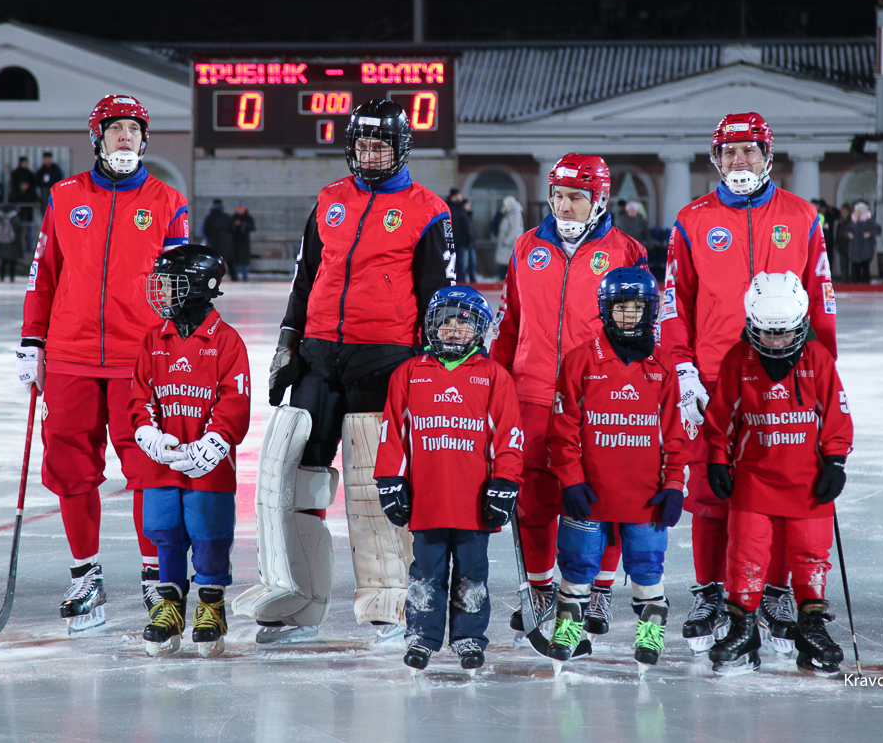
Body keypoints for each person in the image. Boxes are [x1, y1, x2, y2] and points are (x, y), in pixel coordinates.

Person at [240, 98, 455, 644]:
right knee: (298, 482)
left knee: (372, 487)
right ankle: (297, 601)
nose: (370, 153)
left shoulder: (429, 209)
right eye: (362, 144)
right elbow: (305, 277)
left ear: (401, 148)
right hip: (318, 356)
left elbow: (438, 297)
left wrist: (432, 371)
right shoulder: (329, 199)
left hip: (384, 361)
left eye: (380, 144)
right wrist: (288, 342)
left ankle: (387, 605)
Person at [659, 112, 837, 657]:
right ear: (716, 159)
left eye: (749, 151)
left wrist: (824, 372)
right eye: (730, 152)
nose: (740, 161)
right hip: (714, 378)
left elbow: (821, 299)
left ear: (768, 155)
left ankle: (776, 593)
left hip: (786, 375)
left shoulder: (801, 215)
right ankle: (712, 592)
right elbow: (674, 301)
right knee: (710, 493)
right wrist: (682, 369)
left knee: (783, 490)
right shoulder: (691, 220)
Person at [18, 95, 191, 633]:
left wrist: (180, 347)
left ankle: (154, 576)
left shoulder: (168, 201)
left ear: (144, 139)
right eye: (115, 128)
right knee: (70, 467)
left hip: (140, 357)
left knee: (150, 466)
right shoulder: (64, 195)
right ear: (98, 137)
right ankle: (85, 574)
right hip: (69, 355)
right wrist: (32, 340)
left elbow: (181, 289)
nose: (124, 137)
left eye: (133, 130)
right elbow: (44, 273)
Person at [491, 153, 647, 642]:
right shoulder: (526, 247)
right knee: (534, 498)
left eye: (575, 197)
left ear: (598, 199)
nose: (563, 206)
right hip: (532, 391)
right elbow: (509, 323)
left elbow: (640, 328)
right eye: (557, 196)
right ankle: (540, 590)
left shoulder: (627, 250)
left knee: (604, 496)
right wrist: (494, 383)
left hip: (598, 395)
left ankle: (597, 589)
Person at [702, 272, 852, 676]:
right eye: (767, 333)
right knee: (745, 556)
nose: (776, 342)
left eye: (784, 333)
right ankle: (743, 629)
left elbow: (836, 417)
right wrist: (717, 458)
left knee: (810, 556)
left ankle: (811, 628)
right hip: (753, 481)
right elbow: (721, 417)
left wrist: (835, 461)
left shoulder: (818, 359)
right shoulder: (738, 360)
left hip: (808, 481)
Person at [373, 286, 524, 673]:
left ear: (480, 330)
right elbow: (393, 435)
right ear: (431, 327)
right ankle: (421, 636)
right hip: (427, 500)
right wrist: (390, 479)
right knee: (425, 573)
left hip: (474, 502)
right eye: (446, 322)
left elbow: (508, 437)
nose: (454, 329)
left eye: (464, 323)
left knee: (473, 574)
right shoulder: (409, 374)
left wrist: (505, 483)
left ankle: (469, 637)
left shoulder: (495, 376)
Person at [546, 268, 686, 672]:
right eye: (620, 307)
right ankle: (568, 628)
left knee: (647, 564)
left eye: (637, 308)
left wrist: (674, 483)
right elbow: (562, 430)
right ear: (605, 310)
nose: (628, 316)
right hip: (590, 491)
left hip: (645, 493)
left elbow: (675, 435)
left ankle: (650, 629)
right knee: (577, 562)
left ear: (651, 311)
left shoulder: (663, 366)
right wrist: (571, 480)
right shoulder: (580, 360)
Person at [131, 245, 250, 658]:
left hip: (208, 469)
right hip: (162, 466)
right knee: (164, 531)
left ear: (200, 286)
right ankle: (169, 605)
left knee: (208, 532)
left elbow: (234, 400)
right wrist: (148, 434)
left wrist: (215, 441)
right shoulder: (154, 339)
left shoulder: (227, 342)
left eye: (171, 284)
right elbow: (141, 396)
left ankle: (211, 605)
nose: (162, 292)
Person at [845, 201, 880, 283]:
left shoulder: (869, 221)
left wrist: (870, 234)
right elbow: (845, 231)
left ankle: (865, 284)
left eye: (856, 210)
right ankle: (855, 284)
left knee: (865, 269)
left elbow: (878, 230)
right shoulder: (852, 221)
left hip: (865, 248)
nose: (854, 212)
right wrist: (848, 234)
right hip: (854, 249)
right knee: (855, 270)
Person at [494, 195, 524, 281]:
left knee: (506, 265)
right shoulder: (510, 213)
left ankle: (504, 282)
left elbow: (515, 230)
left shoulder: (515, 214)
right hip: (507, 246)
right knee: (504, 263)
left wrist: (507, 241)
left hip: (509, 246)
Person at [447, 188, 474, 283]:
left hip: (462, 241)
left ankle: (460, 281)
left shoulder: (461, 208)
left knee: (461, 263)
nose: (461, 197)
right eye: (459, 195)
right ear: (454, 196)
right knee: (452, 263)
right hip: (452, 240)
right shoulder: (449, 207)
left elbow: (466, 224)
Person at [0, 203, 24, 283]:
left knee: (3, 261)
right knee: (12, 261)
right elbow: (19, 228)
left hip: (2, 242)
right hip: (13, 243)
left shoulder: (1, 217)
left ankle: (2, 276)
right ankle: (11, 277)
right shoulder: (14, 218)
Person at [201, 200, 234, 271]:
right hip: (225, 242)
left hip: (214, 241)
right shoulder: (226, 217)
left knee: (214, 261)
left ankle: (214, 274)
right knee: (229, 261)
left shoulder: (210, 217)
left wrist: (209, 239)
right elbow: (232, 229)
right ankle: (234, 276)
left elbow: (205, 230)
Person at [230, 205, 255, 282]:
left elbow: (252, 227)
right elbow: (229, 228)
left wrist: (243, 225)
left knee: (245, 261)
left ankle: (245, 277)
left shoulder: (248, 218)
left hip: (244, 243)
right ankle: (235, 277)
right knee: (235, 260)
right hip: (235, 242)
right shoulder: (233, 218)